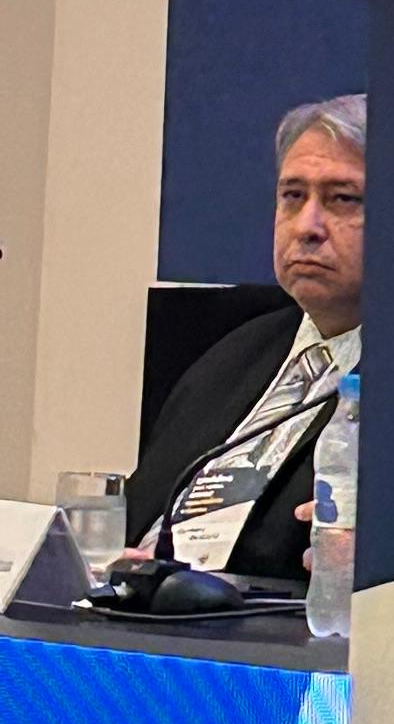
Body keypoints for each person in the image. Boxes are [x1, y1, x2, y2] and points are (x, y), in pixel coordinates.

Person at [125, 94, 367, 583]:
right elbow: (136, 512)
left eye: (342, 198)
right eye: (293, 196)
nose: (307, 227)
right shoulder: (235, 353)